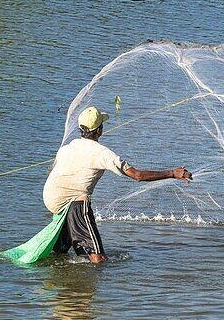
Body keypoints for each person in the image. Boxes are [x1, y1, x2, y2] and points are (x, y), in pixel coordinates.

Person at [42, 106, 191, 263]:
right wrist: (173, 173)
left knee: (60, 253)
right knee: (98, 258)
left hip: (52, 199)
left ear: (81, 129)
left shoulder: (67, 147)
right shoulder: (102, 153)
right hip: (73, 202)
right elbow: (137, 175)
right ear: (99, 130)